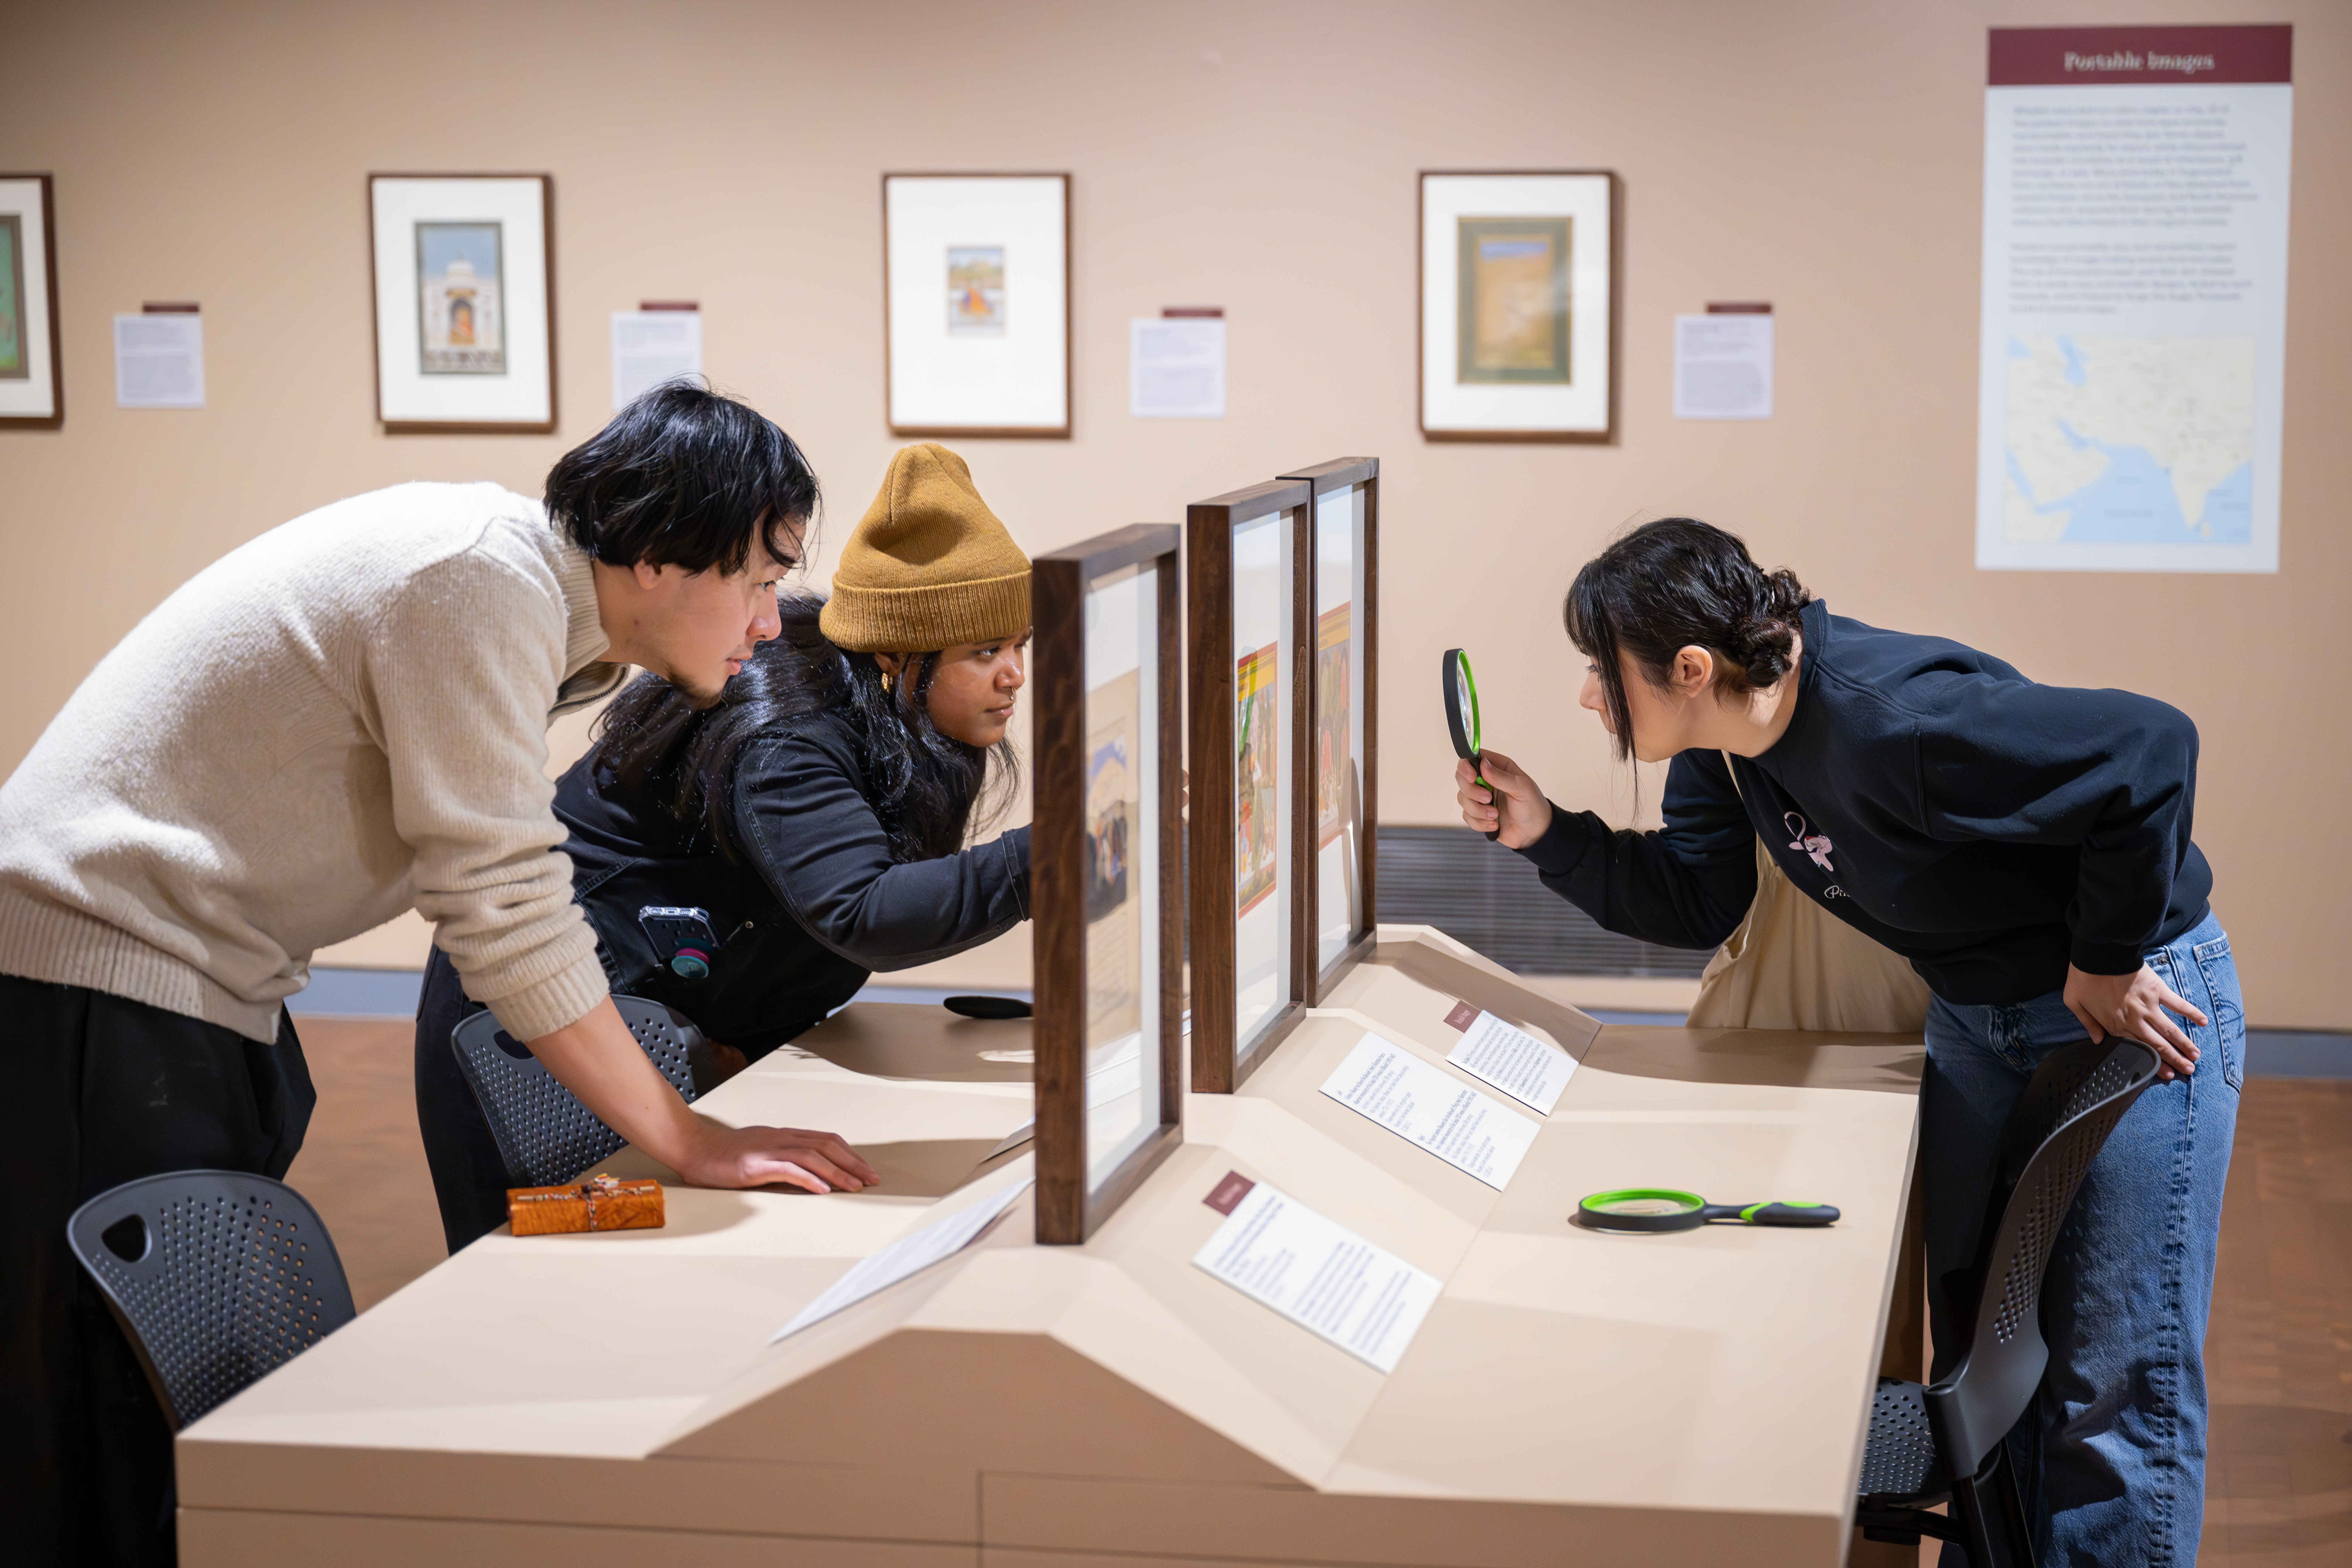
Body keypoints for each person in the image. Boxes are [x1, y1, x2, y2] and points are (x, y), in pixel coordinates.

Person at [0, 382, 877, 1568]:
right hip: (92, 966)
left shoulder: (535, 609)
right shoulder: (476, 581)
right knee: (110, 1413)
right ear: (669, 552)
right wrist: (690, 1140)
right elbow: (501, 908)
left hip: (179, 971)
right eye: (761, 579)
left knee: (154, 1404)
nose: (771, 623)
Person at [1457, 518, 2237, 1566]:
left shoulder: (1891, 718)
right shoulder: (1727, 751)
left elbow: (2152, 746)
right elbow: (1700, 897)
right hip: (1977, 1013)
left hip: (2127, 998)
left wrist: (2104, 953)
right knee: (1987, 1369)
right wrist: (1547, 830)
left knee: (2112, 1387)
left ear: (1691, 667)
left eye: (1603, 672)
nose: (1590, 697)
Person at [416, 441, 1034, 1251]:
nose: (1015, 675)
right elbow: (864, 909)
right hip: (541, 1029)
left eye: (1019, 644)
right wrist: (1064, 850)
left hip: (675, 1024)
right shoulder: (789, 732)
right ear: (894, 655)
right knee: (537, 1273)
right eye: (986, 652)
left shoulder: (898, 720)